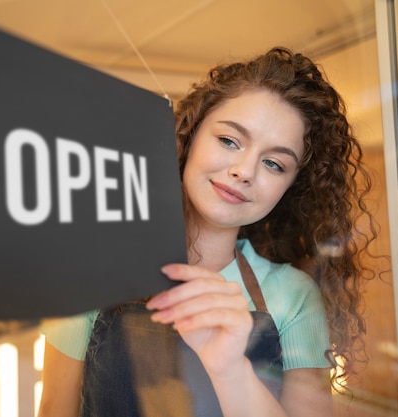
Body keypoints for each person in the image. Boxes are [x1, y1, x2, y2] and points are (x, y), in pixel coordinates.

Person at [37, 47, 377, 417]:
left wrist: (231, 369)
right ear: (190, 135)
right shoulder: (93, 270)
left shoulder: (293, 297)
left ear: (291, 187)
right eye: (229, 140)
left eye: (274, 163)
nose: (245, 170)